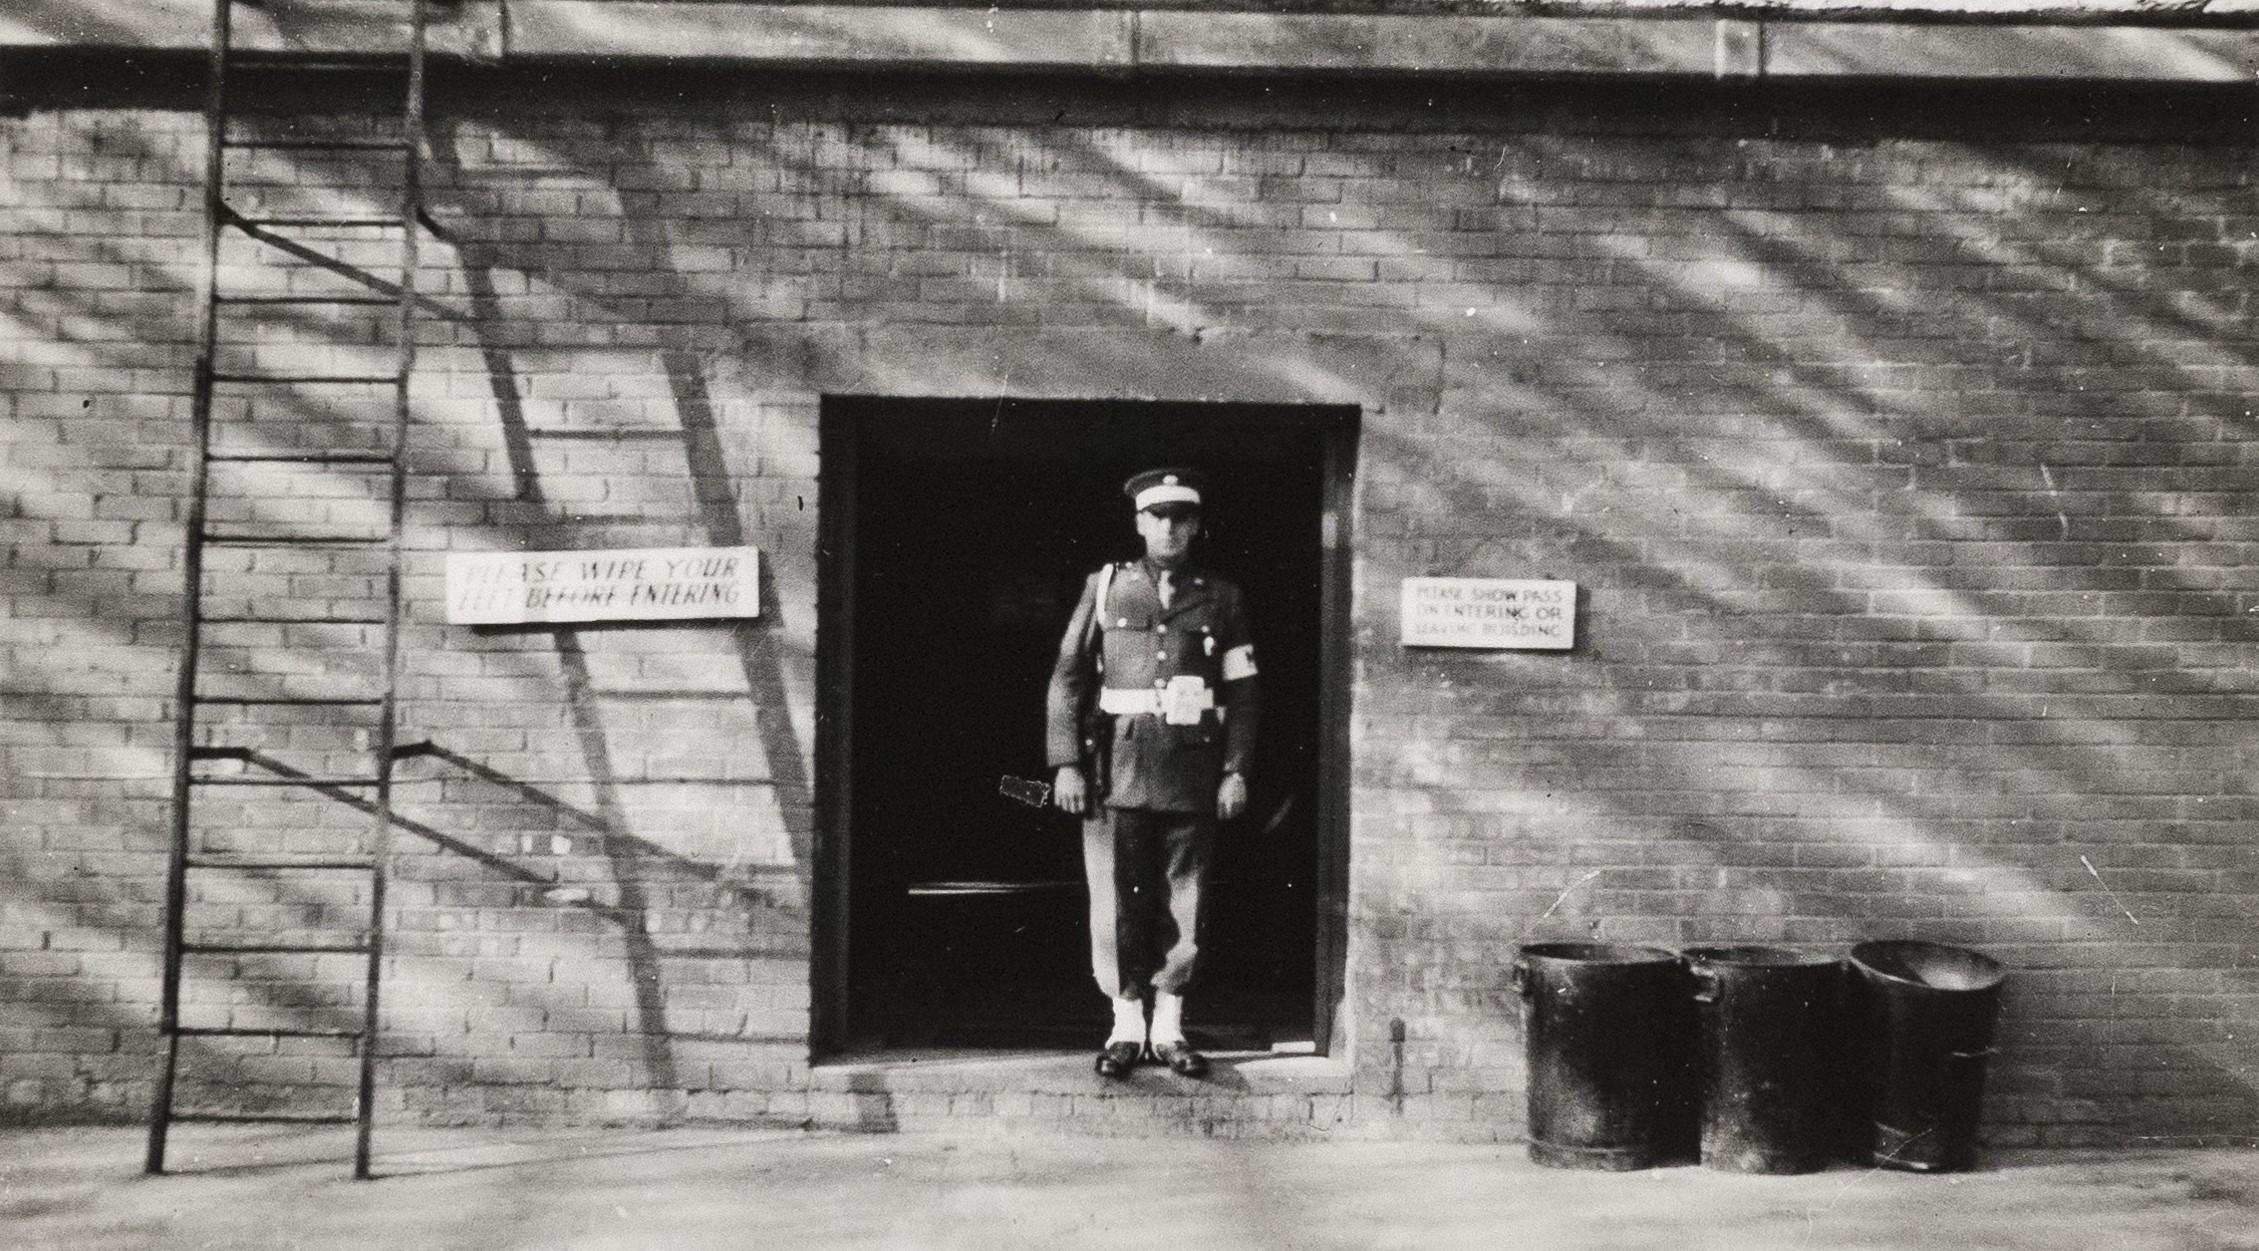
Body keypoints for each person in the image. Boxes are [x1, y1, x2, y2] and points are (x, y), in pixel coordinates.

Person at [1045, 468, 1258, 1079]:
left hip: (1192, 773)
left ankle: (1168, 1027)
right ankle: (1124, 1025)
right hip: (1116, 769)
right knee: (1115, 897)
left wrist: (1236, 770)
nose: (1170, 528)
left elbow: (1244, 692)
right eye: (1158, 517)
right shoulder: (1107, 587)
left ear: (1196, 526)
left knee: (1183, 898)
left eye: (1181, 518)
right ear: (1140, 523)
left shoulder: (1221, 597)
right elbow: (1067, 678)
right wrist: (1065, 764)